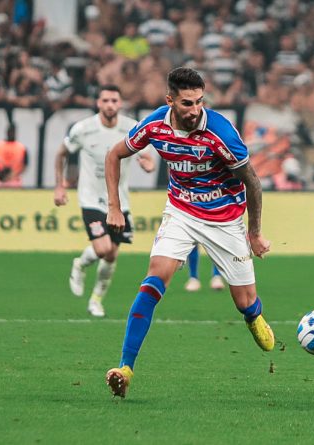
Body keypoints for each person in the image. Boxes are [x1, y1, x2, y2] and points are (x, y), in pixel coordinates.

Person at [103, 67, 274, 398]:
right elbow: (115, 154)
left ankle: (253, 315)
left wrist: (254, 232)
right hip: (181, 212)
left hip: (225, 218)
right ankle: (125, 368)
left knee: (244, 301)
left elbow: (252, 181)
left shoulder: (220, 132)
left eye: (199, 102)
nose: (195, 110)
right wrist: (113, 207)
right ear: (170, 100)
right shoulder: (154, 124)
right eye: (186, 103)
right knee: (154, 279)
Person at [54, 85, 154, 317]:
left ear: (120, 104)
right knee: (102, 248)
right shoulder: (84, 129)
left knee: (111, 255)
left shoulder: (131, 128)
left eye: (114, 101)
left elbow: (146, 154)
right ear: (98, 103)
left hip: (119, 201)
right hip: (90, 197)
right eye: (105, 100)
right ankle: (79, 264)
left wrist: (147, 163)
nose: (110, 105)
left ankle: (96, 300)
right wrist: (60, 185)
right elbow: (61, 153)